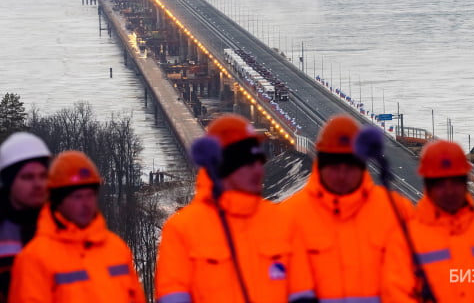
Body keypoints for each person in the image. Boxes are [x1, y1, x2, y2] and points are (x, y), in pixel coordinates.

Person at [155, 114, 316, 303]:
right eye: (249, 163)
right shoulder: (182, 229)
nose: (259, 170)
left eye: (259, 161)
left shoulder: (282, 221)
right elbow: (173, 295)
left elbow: (302, 291)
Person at [281, 114, 414, 301]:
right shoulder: (287, 217)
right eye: (334, 165)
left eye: (351, 165)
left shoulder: (398, 210)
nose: (342, 174)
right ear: (321, 162)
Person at [383, 139, 474, 303]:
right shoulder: (404, 242)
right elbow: (397, 295)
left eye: (455, 181)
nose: (449, 190)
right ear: (427, 184)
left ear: (465, 181)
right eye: (440, 183)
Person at [8, 150, 145, 303]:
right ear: (58, 202)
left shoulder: (117, 248)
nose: (86, 204)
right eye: (77, 197)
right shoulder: (34, 259)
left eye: (90, 195)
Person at [0, 132, 51, 303]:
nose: (38, 184)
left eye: (43, 176)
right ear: (9, 182)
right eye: (28, 177)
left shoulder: (65, 227)